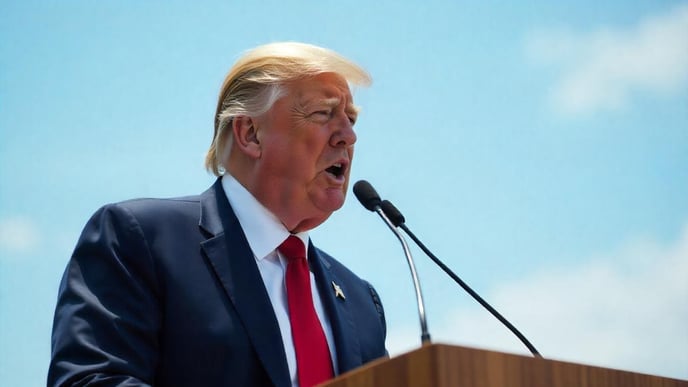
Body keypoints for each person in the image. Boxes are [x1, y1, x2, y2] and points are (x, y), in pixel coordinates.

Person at [48, 42, 387, 387]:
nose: (348, 135)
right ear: (251, 134)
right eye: (323, 113)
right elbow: (92, 381)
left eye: (351, 118)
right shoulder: (140, 241)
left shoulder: (361, 302)